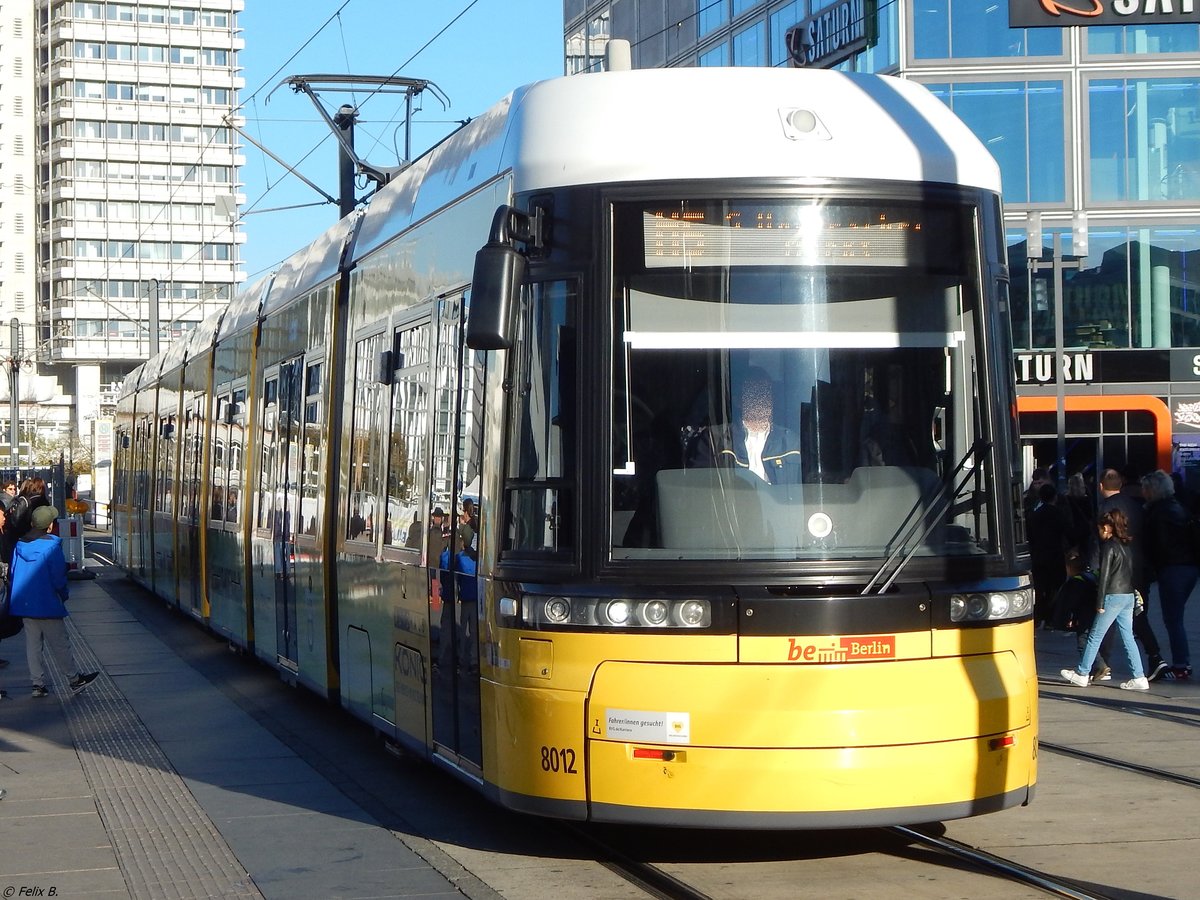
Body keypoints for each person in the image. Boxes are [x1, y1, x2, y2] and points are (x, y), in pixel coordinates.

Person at [8, 505, 98, 698]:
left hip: (25, 604)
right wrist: (63, 595)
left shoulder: (20, 545)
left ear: (32, 523)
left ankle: (38, 685)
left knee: (33, 645)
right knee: (59, 643)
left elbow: (13, 573)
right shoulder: (52, 547)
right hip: (48, 603)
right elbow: (58, 578)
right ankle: (74, 680)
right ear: (49, 527)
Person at [1061, 509, 1149, 690]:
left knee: (1094, 636)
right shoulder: (1125, 546)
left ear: (1108, 528)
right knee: (1128, 637)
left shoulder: (1109, 547)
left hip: (1113, 596)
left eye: (1101, 529)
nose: (1100, 532)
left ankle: (1082, 673)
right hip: (1127, 595)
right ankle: (1139, 676)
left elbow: (1104, 576)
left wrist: (1099, 602)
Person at [1094, 467, 1167, 681]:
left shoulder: (1105, 509)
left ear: (1100, 487)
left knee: (1105, 616)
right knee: (1136, 614)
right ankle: (1154, 656)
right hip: (1138, 569)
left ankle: (1102, 663)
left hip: (1115, 570)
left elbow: (1098, 544)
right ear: (1121, 484)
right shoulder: (1137, 507)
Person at [687, 368, 801, 484]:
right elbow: (699, 487)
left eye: (766, 392)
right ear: (738, 400)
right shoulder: (714, 439)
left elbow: (809, 489)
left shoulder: (791, 442)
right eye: (754, 393)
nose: (762, 399)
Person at [1140, 469, 1197, 681]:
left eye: (1145, 489)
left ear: (1152, 490)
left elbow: (1159, 544)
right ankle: (1183, 663)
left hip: (1172, 568)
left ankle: (1182, 664)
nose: (1143, 493)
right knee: (1176, 617)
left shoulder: (1158, 513)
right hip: (1189, 567)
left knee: (1173, 619)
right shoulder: (1179, 507)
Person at [1053, 548, 1113, 679]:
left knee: (1083, 642)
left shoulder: (1075, 582)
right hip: (1095, 613)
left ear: (1068, 568)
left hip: (1083, 616)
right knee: (1092, 639)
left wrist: (1069, 618)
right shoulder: (1091, 577)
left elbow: (1072, 603)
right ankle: (1096, 668)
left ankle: (1098, 666)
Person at [1027, 482, 1072, 627]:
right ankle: (1050, 617)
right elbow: (1069, 532)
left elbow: (1030, 536)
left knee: (1039, 588)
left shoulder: (1034, 515)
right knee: (1056, 586)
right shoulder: (1058, 514)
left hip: (1038, 556)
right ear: (1055, 497)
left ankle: (1039, 616)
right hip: (1055, 555)